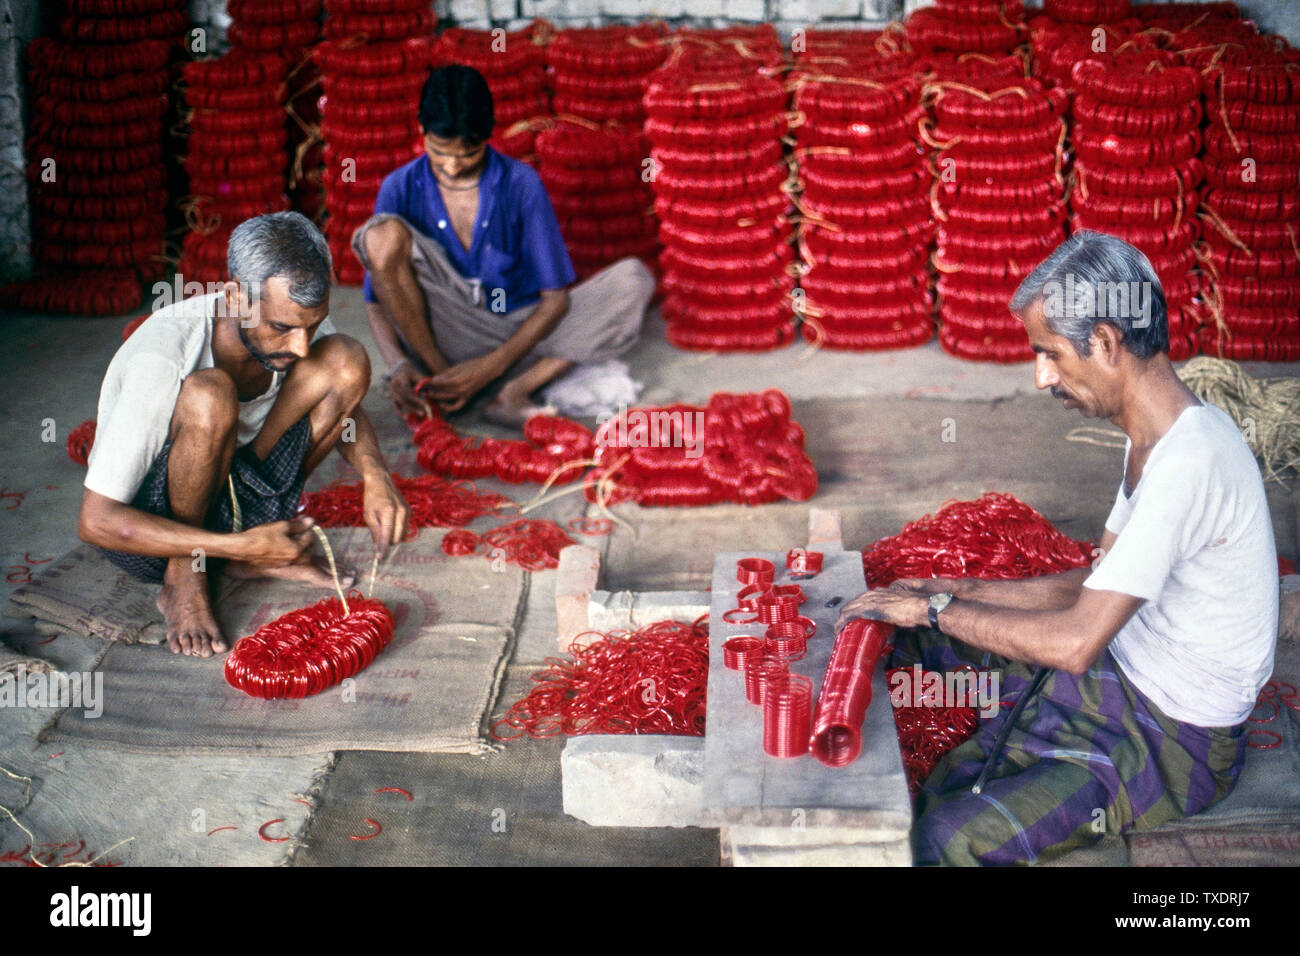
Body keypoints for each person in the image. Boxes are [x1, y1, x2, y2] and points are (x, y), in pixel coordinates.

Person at [836, 230, 1278, 866]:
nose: (1042, 376)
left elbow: (1075, 643)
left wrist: (934, 610)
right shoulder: (1161, 434)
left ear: (1104, 343)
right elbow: (1089, 584)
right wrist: (950, 594)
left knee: (945, 839)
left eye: (1050, 354)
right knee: (929, 648)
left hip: (1168, 739)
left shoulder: (1189, 462)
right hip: (1121, 670)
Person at [78, 212, 410, 659]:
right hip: (157, 533)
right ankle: (187, 577)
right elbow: (96, 521)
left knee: (346, 357)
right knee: (211, 393)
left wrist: (375, 474)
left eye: (311, 325)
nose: (300, 346)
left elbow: (346, 405)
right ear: (235, 297)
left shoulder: (298, 327)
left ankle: (241, 555)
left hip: (243, 501)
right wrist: (241, 545)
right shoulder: (164, 355)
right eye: (282, 328)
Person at [352, 64, 655, 426]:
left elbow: (555, 300)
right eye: (439, 150)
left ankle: (511, 391)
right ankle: (446, 381)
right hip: (442, 331)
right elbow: (375, 301)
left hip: (518, 335)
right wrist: (398, 364)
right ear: (422, 130)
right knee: (380, 235)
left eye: (467, 154)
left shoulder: (520, 183)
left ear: (488, 137)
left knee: (633, 280)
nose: (451, 166)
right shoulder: (399, 187)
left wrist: (488, 368)